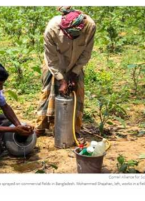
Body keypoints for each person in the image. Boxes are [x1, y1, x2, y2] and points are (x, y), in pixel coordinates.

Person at [36, 6, 96, 136]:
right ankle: (41, 126)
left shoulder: (90, 26)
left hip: (76, 63)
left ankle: (73, 129)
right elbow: (51, 59)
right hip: (56, 61)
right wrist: (62, 80)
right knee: (48, 92)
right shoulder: (52, 29)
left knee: (77, 92)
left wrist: (73, 74)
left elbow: (86, 53)